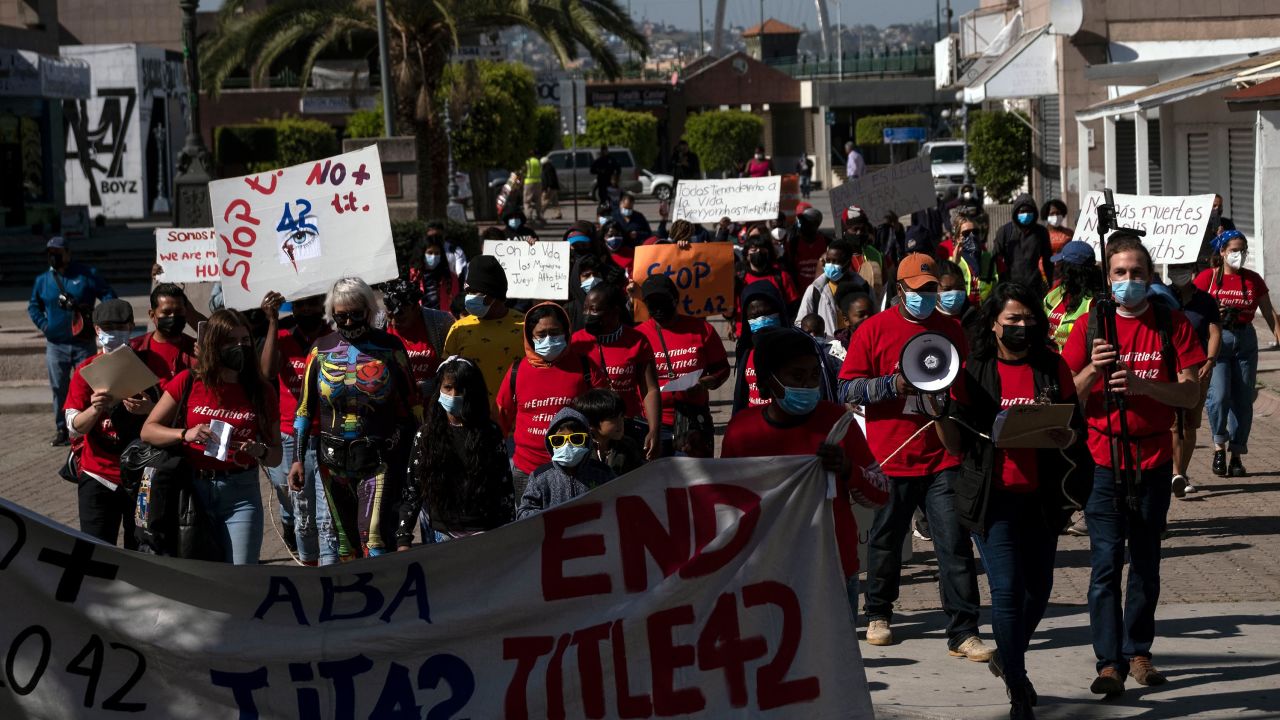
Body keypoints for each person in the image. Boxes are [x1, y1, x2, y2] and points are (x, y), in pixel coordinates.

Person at [935, 282, 1091, 720]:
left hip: (1040, 499)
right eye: (1013, 320)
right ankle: (1018, 685)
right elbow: (954, 444)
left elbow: (1073, 425)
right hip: (993, 500)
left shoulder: (1051, 366)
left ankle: (1007, 655)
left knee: (1037, 592)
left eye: (1028, 319)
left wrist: (1067, 434)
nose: (1023, 326)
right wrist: (937, 413)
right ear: (993, 324)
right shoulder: (974, 371)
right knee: (1006, 590)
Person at [1061, 234, 1205, 697]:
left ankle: (1138, 650)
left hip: (1154, 460)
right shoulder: (1090, 325)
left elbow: (1191, 393)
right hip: (1104, 461)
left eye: (1137, 273)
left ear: (1150, 276)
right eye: (1119, 273)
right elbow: (1065, 398)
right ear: (1107, 278)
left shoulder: (1170, 322)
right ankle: (1109, 663)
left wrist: (1145, 385)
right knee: (1106, 564)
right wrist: (1090, 372)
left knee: (1146, 563)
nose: (1128, 281)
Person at [838, 253, 990, 660]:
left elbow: (963, 388)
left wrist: (945, 402)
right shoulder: (872, 330)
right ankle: (880, 614)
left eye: (931, 289)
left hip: (942, 455)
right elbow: (846, 391)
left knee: (954, 543)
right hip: (891, 455)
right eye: (918, 289)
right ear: (900, 289)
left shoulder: (952, 330)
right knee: (886, 540)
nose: (926, 296)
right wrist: (893, 385)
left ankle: (964, 629)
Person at [722, 327, 890, 586]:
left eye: (813, 376)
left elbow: (880, 494)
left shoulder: (837, 423)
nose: (808, 385)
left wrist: (848, 469)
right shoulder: (742, 431)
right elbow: (725, 506)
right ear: (768, 383)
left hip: (833, 569)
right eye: (797, 376)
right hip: (765, 574)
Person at [291, 278, 423, 561]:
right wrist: (298, 458)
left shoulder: (390, 348)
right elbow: (304, 409)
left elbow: (413, 406)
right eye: (341, 315)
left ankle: (385, 594)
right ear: (332, 314)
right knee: (344, 543)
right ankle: (355, 599)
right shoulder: (320, 349)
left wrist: (416, 455)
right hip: (331, 461)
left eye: (355, 313)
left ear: (368, 309)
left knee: (373, 536)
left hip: (377, 458)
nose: (348, 321)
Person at [141, 309, 283, 564]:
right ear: (213, 344)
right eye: (230, 341)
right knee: (199, 573)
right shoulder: (189, 381)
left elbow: (275, 456)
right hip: (192, 492)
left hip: (241, 494)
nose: (240, 347)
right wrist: (186, 434)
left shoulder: (261, 390)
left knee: (241, 573)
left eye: (245, 340)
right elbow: (148, 430)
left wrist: (259, 450)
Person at [64, 299, 157, 549]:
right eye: (107, 327)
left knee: (139, 549)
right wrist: (95, 409)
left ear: (131, 327)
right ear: (96, 330)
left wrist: (150, 409)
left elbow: (170, 418)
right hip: (98, 476)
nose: (113, 333)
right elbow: (73, 426)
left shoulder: (148, 367)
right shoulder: (86, 372)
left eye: (120, 327)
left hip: (140, 477)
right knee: (95, 549)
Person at [399, 357, 513, 546]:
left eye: (461, 389)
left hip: (485, 534)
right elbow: (413, 490)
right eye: (448, 388)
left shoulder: (490, 433)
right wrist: (403, 539)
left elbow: (504, 492)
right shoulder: (425, 435)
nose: (454, 395)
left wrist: (506, 537)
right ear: (439, 390)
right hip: (441, 536)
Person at [1195, 229, 1280, 478]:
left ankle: (1236, 455)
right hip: (1217, 339)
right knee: (1219, 396)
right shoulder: (1207, 279)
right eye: (1234, 250)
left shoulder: (1253, 279)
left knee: (1243, 399)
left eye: (1243, 250)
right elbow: (1192, 312)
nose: (1239, 255)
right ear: (1221, 252)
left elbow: (1269, 314)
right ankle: (1219, 445)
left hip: (1245, 339)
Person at [499, 302, 606, 497]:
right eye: (541, 334)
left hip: (577, 468)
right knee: (530, 526)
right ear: (530, 336)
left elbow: (604, 409)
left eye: (555, 332)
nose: (548, 338)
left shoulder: (584, 366)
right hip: (527, 471)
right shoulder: (517, 371)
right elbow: (500, 418)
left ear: (566, 332)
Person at [259, 293, 332, 565]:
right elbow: (266, 371)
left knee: (326, 511)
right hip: (291, 434)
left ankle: (329, 560)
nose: (307, 309)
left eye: (313, 303)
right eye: (300, 305)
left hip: (326, 433)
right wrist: (272, 321)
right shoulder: (282, 337)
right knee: (299, 505)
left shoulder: (334, 336)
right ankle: (307, 559)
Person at [29, 236, 117, 446]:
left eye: (57, 253)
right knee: (59, 387)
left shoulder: (87, 275)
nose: (53, 257)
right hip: (56, 345)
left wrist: (100, 318)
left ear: (68, 253)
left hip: (83, 344)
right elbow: (33, 306)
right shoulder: (42, 280)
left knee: (88, 387)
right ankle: (62, 429)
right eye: (50, 253)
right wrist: (44, 326)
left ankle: (88, 427)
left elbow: (109, 296)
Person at [635, 275, 730, 457]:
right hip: (652, 425)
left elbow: (723, 369)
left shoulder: (702, 329)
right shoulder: (638, 336)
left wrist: (706, 383)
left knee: (696, 482)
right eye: (652, 303)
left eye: (662, 301)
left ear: (675, 299)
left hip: (693, 422)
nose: (658, 307)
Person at [572, 284, 661, 460]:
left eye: (594, 310)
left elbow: (650, 389)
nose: (588, 315)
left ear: (615, 312)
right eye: (585, 310)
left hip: (625, 431)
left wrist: (654, 430)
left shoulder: (636, 341)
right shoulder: (575, 343)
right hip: (586, 433)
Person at [442, 255, 526, 415]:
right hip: (471, 420)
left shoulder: (526, 325)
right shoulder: (459, 328)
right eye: (467, 291)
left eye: (474, 292)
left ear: (493, 295)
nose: (469, 297)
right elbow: (446, 377)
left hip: (514, 423)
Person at [1167, 262, 1220, 497]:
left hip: (1197, 369)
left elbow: (1215, 332)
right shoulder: (1160, 297)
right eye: (1174, 268)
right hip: (1168, 370)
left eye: (1183, 268)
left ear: (1193, 271)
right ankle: (1172, 472)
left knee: (1189, 423)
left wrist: (1209, 361)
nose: (1178, 273)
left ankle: (1182, 472)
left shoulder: (1206, 301)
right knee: (1172, 423)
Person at [515, 406, 615, 518]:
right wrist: (553, 517)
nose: (567, 445)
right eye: (559, 440)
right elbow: (523, 512)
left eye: (576, 439)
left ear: (587, 441)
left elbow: (618, 503)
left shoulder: (603, 473)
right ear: (550, 443)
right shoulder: (540, 477)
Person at [383, 278, 453, 397]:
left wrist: (430, 386)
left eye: (401, 316)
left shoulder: (441, 323)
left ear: (416, 308)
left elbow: (453, 368)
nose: (394, 322)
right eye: (390, 316)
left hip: (434, 401)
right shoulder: (379, 326)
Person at [795, 238, 873, 337]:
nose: (830, 265)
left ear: (848, 263)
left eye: (836, 262)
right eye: (828, 261)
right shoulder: (815, 290)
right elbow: (800, 323)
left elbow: (875, 318)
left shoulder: (863, 287)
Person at [733, 280, 789, 413]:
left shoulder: (794, 347)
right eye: (754, 316)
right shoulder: (745, 350)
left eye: (767, 313)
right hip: (754, 425)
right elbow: (741, 394)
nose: (762, 319)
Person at [128, 283, 197, 383]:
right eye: (166, 312)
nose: (173, 316)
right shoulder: (134, 349)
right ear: (152, 315)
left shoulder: (196, 351)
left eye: (178, 311)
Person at [737, 228, 799, 336]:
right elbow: (734, 310)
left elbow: (794, 306)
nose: (758, 252)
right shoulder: (740, 280)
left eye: (762, 249)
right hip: (747, 335)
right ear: (747, 254)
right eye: (754, 249)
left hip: (779, 333)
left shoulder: (781, 276)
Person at [1042, 241, 1102, 352]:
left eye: (1061, 263)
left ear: (1070, 269)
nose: (1056, 266)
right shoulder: (1055, 292)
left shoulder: (1094, 301)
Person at [573, 388, 645, 476]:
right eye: (613, 419)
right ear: (591, 424)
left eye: (622, 416)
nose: (620, 423)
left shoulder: (628, 446)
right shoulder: (578, 451)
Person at [992, 193, 1053, 295]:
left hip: (1034, 287)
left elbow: (1048, 262)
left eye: (1029, 211)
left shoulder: (1041, 232)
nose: (1026, 214)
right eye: (1022, 211)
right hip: (1010, 287)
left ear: (1034, 213)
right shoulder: (1005, 231)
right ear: (1016, 213)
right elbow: (995, 259)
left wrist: (1051, 285)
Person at [939, 216, 998, 309]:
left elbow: (996, 285)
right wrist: (954, 265)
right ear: (957, 238)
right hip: (962, 311)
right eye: (966, 233)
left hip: (985, 312)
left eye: (975, 232)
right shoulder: (951, 263)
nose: (972, 236)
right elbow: (947, 293)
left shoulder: (988, 258)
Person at [409, 232, 462, 313]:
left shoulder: (450, 278)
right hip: (420, 321)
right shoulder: (414, 275)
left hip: (444, 321)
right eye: (430, 253)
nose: (433, 256)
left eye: (437, 253)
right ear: (422, 254)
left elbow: (456, 304)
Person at [936, 259, 983, 349]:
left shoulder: (977, 319)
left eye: (960, 287)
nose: (955, 293)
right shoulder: (928, 322)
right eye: (947, 289)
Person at [787, 204, 829, 289]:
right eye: (801, 221)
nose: (801, 224)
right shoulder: (793, 243)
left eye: (805, 222)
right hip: (800, 294)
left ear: (816, 224)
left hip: (822, 291)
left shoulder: (827, 242)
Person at [522, 153, 543, 225]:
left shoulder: (528, 161)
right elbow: (541, 171)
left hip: (529, 182)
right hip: (538, 182)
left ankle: (528, 217)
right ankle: (539, 216)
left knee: (527, 201)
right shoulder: (538, 161)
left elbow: (523, 172)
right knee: (538, 200)